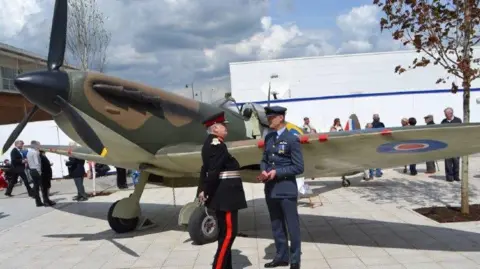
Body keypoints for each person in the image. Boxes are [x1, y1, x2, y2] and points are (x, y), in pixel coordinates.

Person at [197, 111, 247, 269]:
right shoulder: (215, 145)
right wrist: (206, 191)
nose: (226, 128)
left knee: (224, 234)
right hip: (226, 197)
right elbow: (212, 172)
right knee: (229, 235)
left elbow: (204, 169)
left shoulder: (213, 144)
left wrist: (203, 190)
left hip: (224, 195)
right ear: (214, 129)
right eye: (223, 126)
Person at [259, 106, 304, 269]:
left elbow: (299, 167)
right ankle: (281, 256)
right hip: (271, 189)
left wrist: (277, 172)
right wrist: (263, 169)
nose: (268, 121)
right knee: (276, 225)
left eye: (271, 118)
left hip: (286, 189)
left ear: (280, 118)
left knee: (292, 227)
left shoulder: (292, 139)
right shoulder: (269, 137)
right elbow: (264, 159)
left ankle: (295, 259)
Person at [26, 141, 55, 207]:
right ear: (35, 145)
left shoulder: (29, 152)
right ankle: (46, 201)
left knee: (36, 187)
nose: (40, 146)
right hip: (37, 171)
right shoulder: (36, 152)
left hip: (32, 170)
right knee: (43, 187)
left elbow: (29, 162)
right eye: (39, 145)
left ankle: (38, 202)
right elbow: (37, 163)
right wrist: (40, 172)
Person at [441, 107, 462, 182]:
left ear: (451, 113)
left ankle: (456, 176)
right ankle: (449, 177)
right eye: (445, 114)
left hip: (456, 144)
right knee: (448, 162)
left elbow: (461, 132)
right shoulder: (443, 121)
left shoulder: (458, 120)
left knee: (456, 161)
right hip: (446, 145)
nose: (445, 115)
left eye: (446, 114)